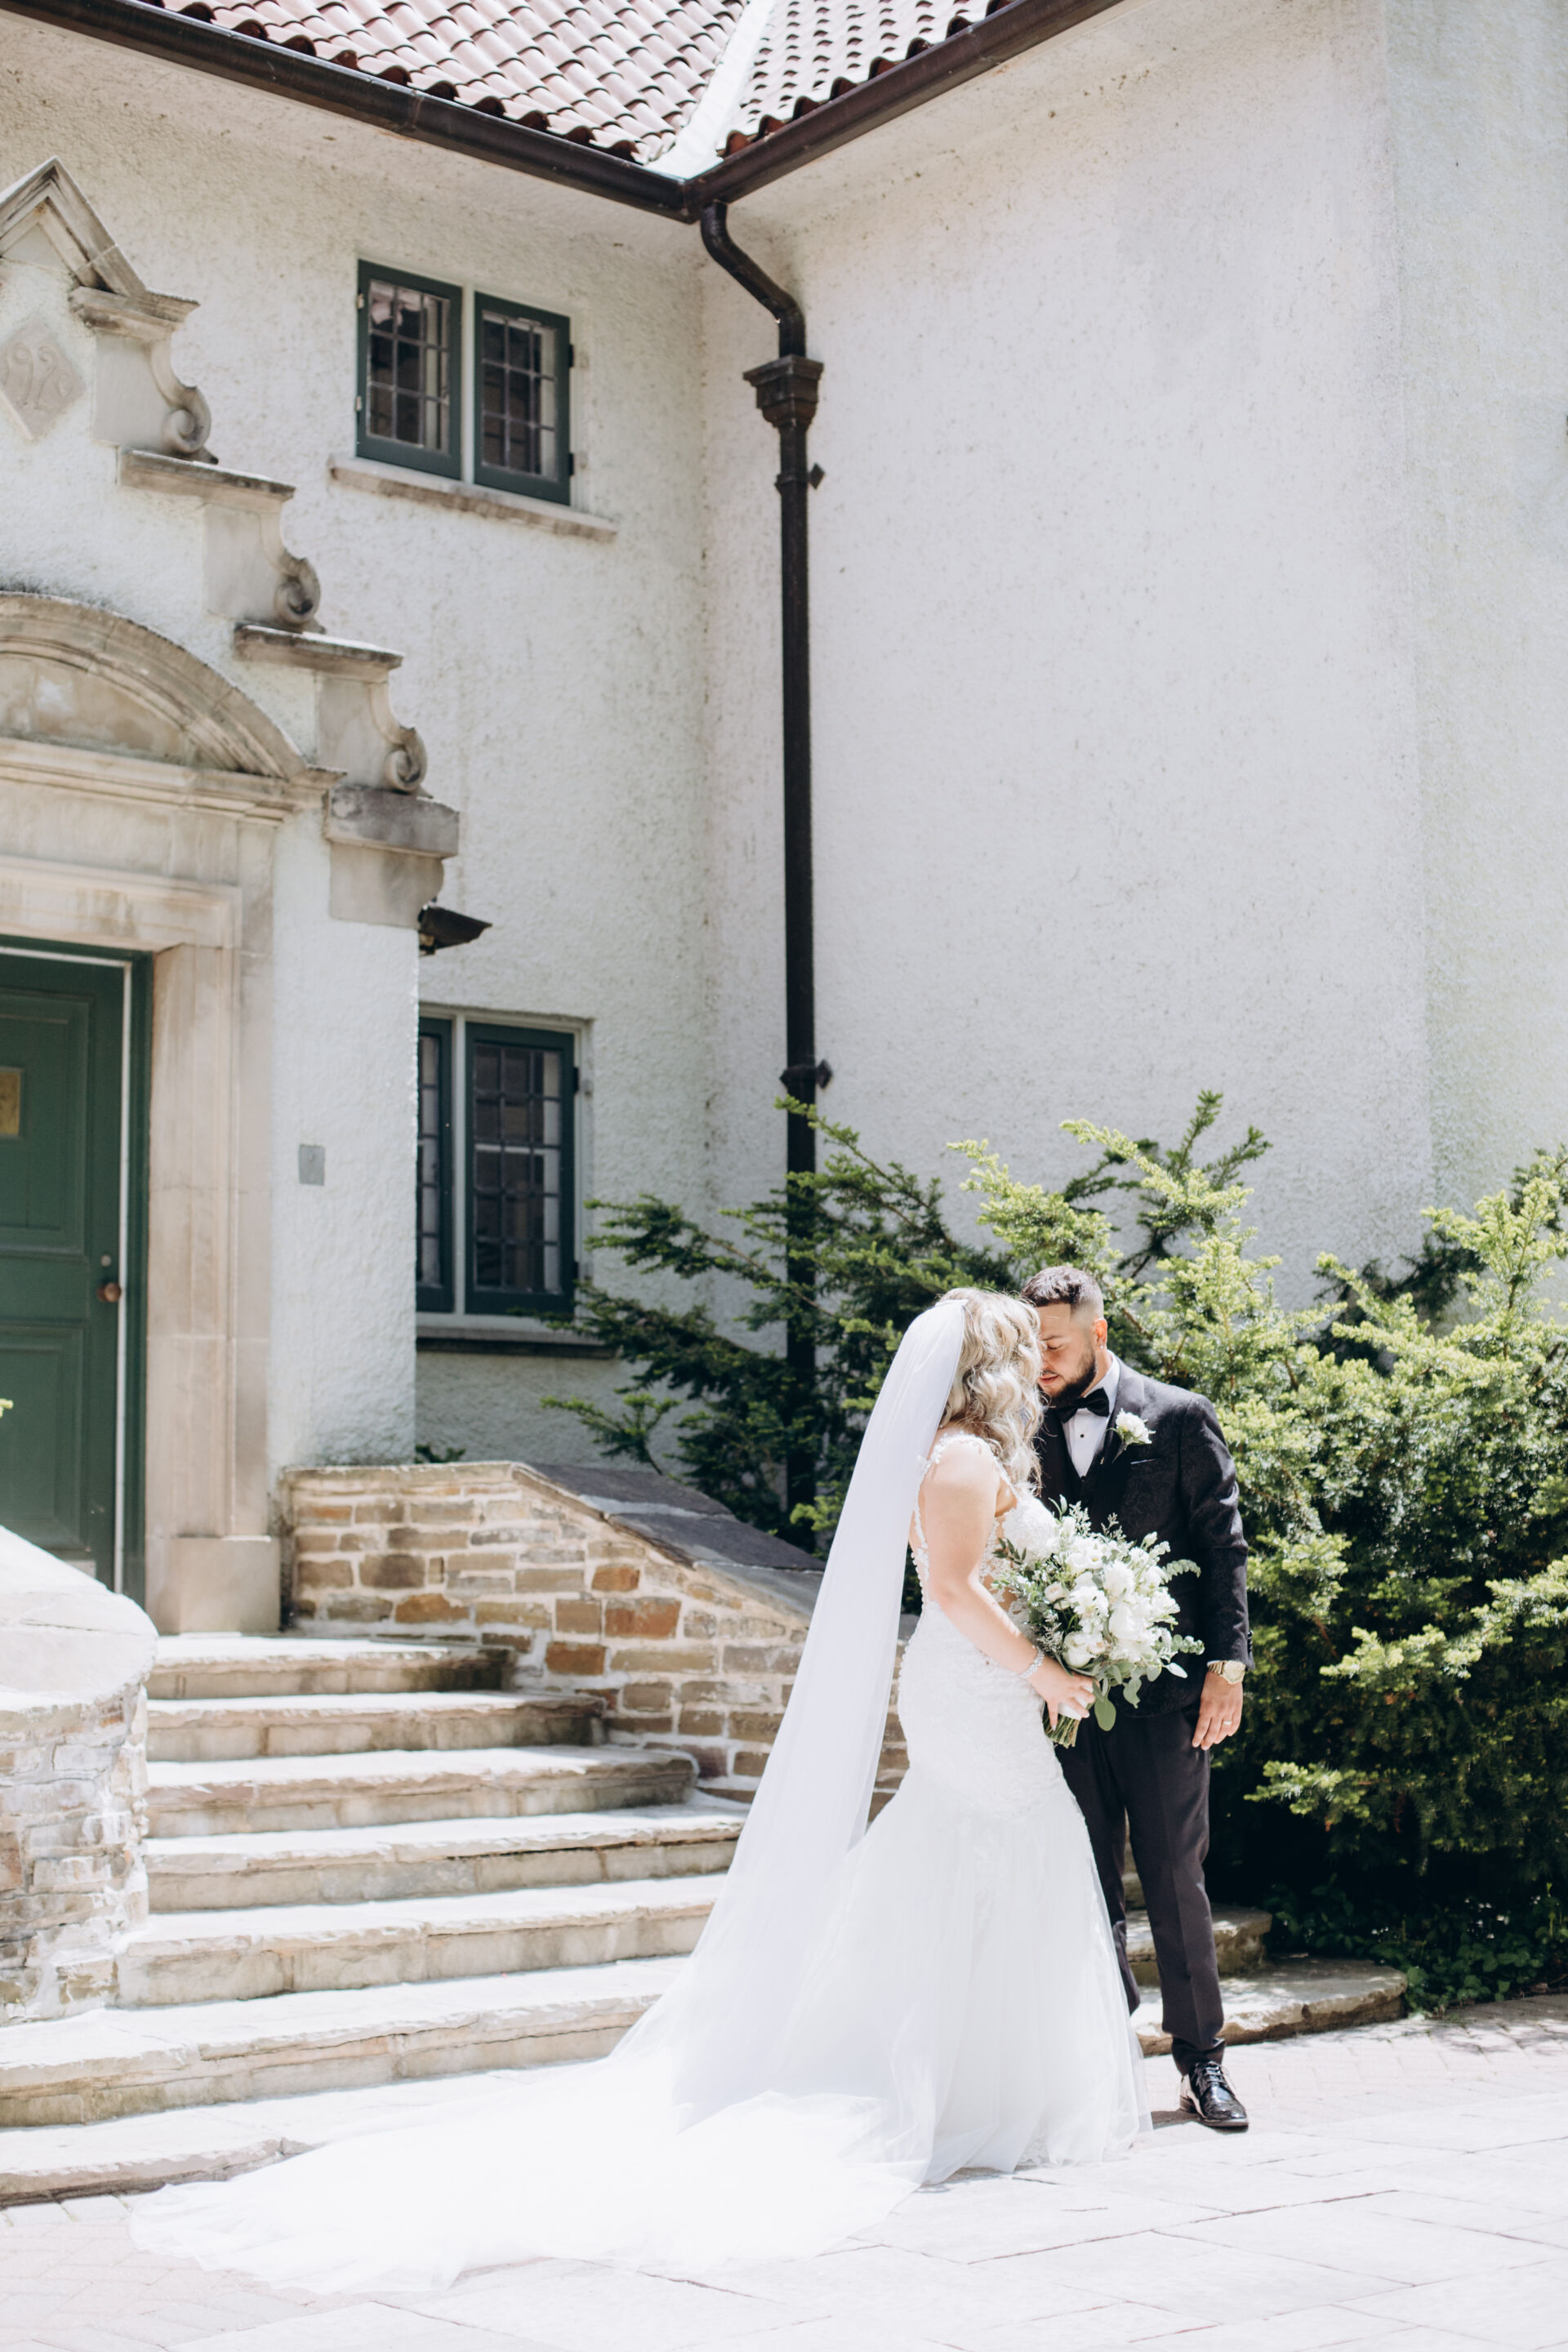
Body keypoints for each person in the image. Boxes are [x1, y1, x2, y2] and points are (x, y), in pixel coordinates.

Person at [131, 1291, 1146, 2292]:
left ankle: (970, 2079)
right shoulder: (962, 1460)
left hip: (982, 1690)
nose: (1034, 1376)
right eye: (1022, 1358)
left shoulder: (959, 1456)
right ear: (990, 1372)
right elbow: (958, 1591)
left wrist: (1064, 1639)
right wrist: (1045, 1671)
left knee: (969, 1855)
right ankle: (954, 2085)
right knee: (996, 1845)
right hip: (977, 1692)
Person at [1022, 1263, 1251, 2132]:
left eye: (1053, 1345)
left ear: (1099, 1333)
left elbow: (1223, 1546)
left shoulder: (1180, 1417)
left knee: (1174, 1877)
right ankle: (1104, 2055)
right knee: (1084, 1880)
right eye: (1029, 1347)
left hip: (1166, 1699)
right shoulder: (1020, 1423)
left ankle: (1202, 2061)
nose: (1040, 1363)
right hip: (1062, 1701)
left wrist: (1228, 1667)